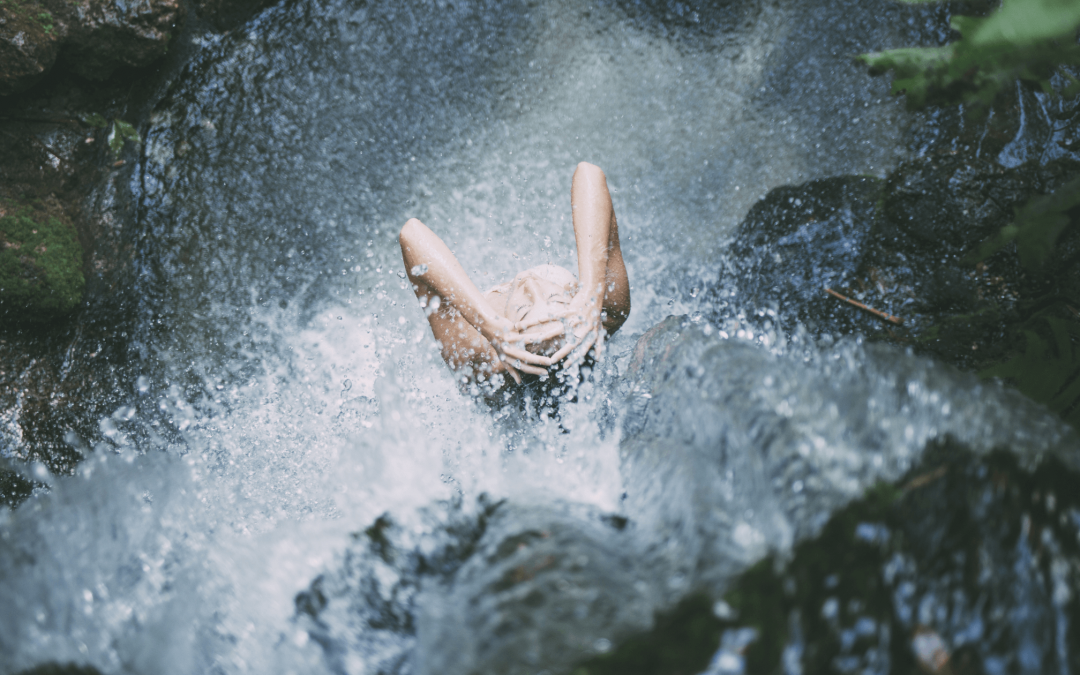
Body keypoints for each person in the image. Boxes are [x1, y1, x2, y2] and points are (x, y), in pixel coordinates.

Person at [399, 161, 630, 389]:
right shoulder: (604, 315)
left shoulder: (478, 359)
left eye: (524, 310)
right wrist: (591, 292)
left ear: (508, 347)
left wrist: (489, 325)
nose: (531, 285)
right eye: (556, 299)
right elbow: (589, 173)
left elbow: (411, 234)